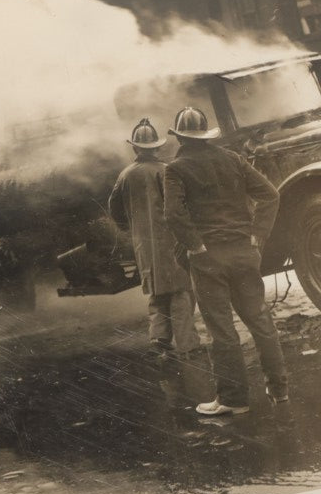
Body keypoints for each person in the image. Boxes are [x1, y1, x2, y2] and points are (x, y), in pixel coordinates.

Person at [163, 106, 288, 415]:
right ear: (206, 135)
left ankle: (234, 400)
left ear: (179, 136)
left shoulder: (175, 169)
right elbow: (271, 194)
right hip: (244, 251)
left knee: (222, 330)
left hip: (208, 258)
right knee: (260, 320)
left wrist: (195, 245)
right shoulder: (232, 159)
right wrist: (258, 236)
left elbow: (173, 214)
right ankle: (280, 389)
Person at [108, 119, 200, 359]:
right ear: (156, 147)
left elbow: (114, 209)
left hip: (144, 244)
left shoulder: (125, 175)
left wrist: (129, 230)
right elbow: (180, 206)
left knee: (157, 292)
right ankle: (188, 346)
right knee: (181, 291)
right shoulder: (166, 170)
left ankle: (159, 340)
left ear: (135, 148)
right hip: (171, 241)